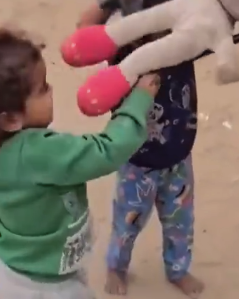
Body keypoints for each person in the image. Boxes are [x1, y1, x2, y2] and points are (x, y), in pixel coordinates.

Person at [77, 0, 204, 298]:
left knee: (180, 222)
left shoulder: (186, 38)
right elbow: (82, 31)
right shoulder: (123, 42)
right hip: (137, 159)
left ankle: (178, 270)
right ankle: (117, 267)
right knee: (128, 221)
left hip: (179, 154)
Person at [0, 28, 159, 299]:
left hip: (13, 268)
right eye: (43, 89)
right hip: (49, 283)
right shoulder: (38, 152)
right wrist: (138, 102)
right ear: (11, 119)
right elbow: (107, 150)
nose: (52, 91)